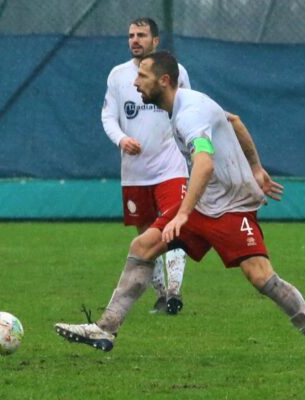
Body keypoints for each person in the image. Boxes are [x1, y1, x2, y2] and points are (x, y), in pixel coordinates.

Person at [56, 51, 305, 359]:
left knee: (260, 276)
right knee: (143, 246)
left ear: (164, 80)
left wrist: (184, 212)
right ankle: (106, 327)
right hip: (205, 203)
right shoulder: (187, 103)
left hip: (231, 206)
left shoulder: (188, 114)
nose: (135, 82)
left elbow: (203, 164)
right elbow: (234, 121)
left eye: (142, 77)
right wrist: (256, 168)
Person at [101, 17, 191, 314]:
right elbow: (108, 116)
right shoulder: (117, 76)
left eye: (141, 35)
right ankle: (162, 295)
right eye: (131, 35)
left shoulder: (176, 74)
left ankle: (176, 293)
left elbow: (187, 112)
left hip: (171, 167)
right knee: (145, 234)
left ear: (156, 41)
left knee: (172, 228)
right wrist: (122, 139)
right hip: (136, 171)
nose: (134, 40)